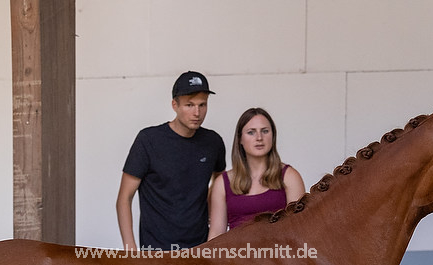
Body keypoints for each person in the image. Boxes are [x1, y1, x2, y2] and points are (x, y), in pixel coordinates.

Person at [116, 71, 226, 251]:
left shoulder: (213, 142)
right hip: (157, 253)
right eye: (189, 105)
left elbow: (221, 183)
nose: (197, 112)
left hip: (199, 250)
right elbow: (124, 198)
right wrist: (130, 249)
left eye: (202, 105)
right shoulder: (148, 140)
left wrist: (210, 214)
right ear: (174, 105)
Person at [207, 107, 306, 237]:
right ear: (240, 139)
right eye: (251, 132)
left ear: (273, 136)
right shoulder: (223, 183)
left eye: (265, 131)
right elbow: (215, 234)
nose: (259, 138)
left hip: (278, 255)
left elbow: (300, 231)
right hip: (236, 255)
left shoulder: (289, 176)